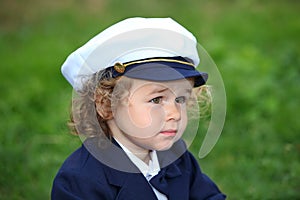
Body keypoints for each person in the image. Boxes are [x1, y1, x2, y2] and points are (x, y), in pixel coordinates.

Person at [51, 17, 226, 200]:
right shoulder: (80, 180)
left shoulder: (175, 156)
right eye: (156, 99)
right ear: (106, 104)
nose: (175, 114)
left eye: (180, 99)